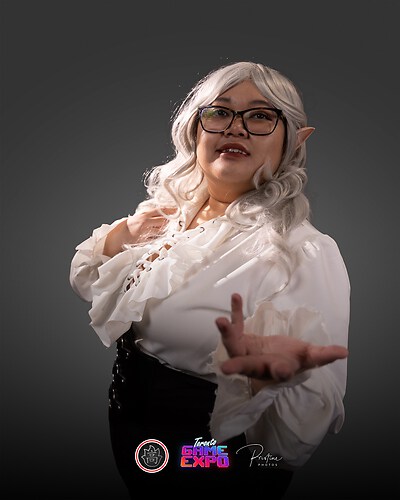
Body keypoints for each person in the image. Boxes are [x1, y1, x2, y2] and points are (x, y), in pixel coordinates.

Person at [69, 61, 350, 497]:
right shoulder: (169, 214)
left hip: (212, 456)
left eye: (261, 116)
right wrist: (126, 233)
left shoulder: (302, 251)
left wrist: (266, 384)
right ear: (196, 128)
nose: (235, 127)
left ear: (295, 140)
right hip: (135, 438)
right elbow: (90, 283)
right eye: (220, 112)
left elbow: (305, 423)